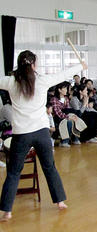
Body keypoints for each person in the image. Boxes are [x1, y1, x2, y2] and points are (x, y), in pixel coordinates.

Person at [0, 50, 87, 221]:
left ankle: (7, 211)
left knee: (13, 172)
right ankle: (60, 202)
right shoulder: (41, 80)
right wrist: (80, 66)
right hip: (41, 132)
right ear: (33, 65)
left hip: (21, 135)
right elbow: (62, 74)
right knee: (49, 167)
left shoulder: (11, 82)